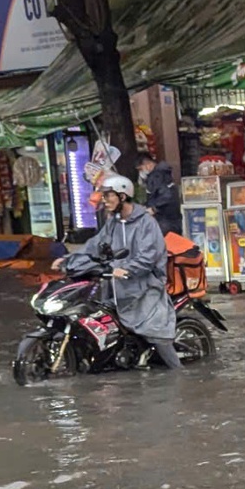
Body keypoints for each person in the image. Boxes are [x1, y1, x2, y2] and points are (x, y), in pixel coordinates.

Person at [55, 175, 182, 369]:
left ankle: (178, 372)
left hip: (145, 286)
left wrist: (127, 270)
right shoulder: (113, 223)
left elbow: (148, 256)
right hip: (115, 286)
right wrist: (68, 260)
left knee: (156, 332)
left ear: (122, 196)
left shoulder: (146, 223)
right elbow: (94, 246)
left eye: (108, 196)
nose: (104, 201)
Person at [138, 150, 182, 235]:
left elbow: (166, 196)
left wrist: (153, 208)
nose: (140, 172)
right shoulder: (161, 174)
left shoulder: (157, 176)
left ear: (148, 165)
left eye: (140, 169)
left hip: (165, 220)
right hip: (169, 219)